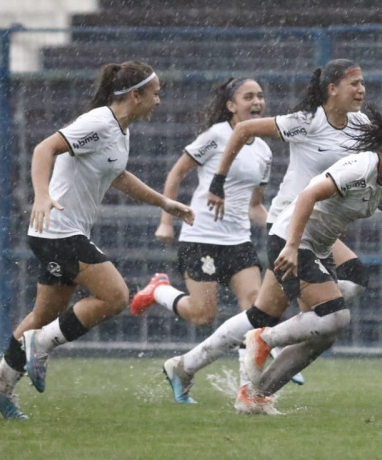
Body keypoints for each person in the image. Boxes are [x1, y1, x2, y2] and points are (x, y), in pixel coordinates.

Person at [163, 108, 382, 415]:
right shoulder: (360, 167)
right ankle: (264, 339)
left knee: (308, 325)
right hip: (291, 240)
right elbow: (307, 196)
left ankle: (253, 394)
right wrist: (291, 245)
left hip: (316, 249)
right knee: (335, 318)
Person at [0, 61, 194, 420]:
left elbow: (119, 175)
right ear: (135, 95)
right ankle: (41, 345)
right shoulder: (97, 122)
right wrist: (42, 195)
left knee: (44, 314)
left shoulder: (121, 131)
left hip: (61, 232)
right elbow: (43, 149)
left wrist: (164, 202)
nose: (160, 100)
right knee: (115, 296)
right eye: (155, 93)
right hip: (58, 230)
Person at [127, 78, 302, 403]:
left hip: (238, 242)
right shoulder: (216, 136)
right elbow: (177, 173)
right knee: (202, 314)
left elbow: (254, 206)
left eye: (261, 96)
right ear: (231, 105)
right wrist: (167, 221)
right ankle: (158, 290)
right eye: (248, 96)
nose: (257, 101)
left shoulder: (263, 149)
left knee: (255, 308)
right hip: (201, 237)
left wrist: (284, 229)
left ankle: (249, 390)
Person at [208, 59, 371, 302]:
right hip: (288, 224)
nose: (362, 89)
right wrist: (218, 182)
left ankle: (257, 339)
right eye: (354, 83)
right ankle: (258, 337)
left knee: (285, 319)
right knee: (335, 298)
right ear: (332, 89)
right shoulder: (307, 121)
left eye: (362, 83)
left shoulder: (361, 124)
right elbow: (243, 130)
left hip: (318, 227)